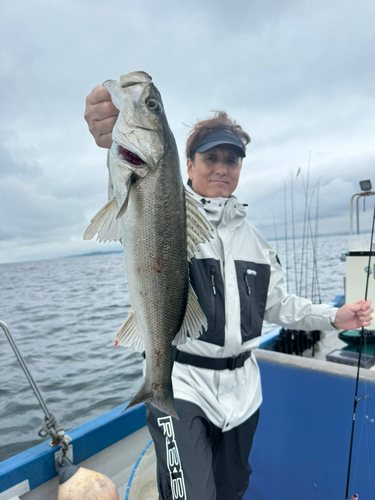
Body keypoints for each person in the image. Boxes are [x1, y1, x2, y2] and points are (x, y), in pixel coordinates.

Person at [84, 87, 373, 500]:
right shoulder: (164, 207)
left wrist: (333, 317)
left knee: (232, 491)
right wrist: (113, 138)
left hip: (243, 394)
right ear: (187, 163)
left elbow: (276, 305)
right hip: (181, 386)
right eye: (210, 158)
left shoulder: (255, 242)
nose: (221, 168)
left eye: (231, 159)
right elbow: (133, 189)